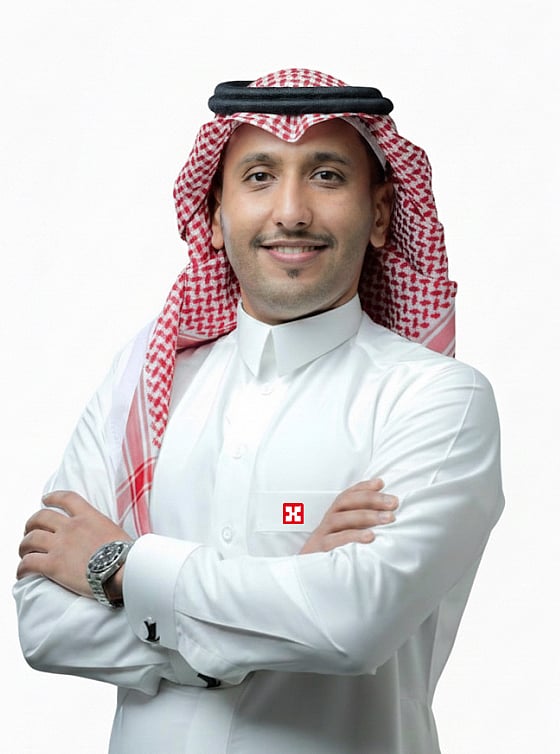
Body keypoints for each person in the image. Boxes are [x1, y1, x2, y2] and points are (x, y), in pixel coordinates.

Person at [14, 68, 504, 754]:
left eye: (327, 176)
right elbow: (43, 623)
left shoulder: (437, 399)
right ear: (216, 213)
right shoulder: (143, 382)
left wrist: (119, 567)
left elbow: (353, 626)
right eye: (260, 176)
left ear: (381, 214)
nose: (291, 211)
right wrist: (286, 595)